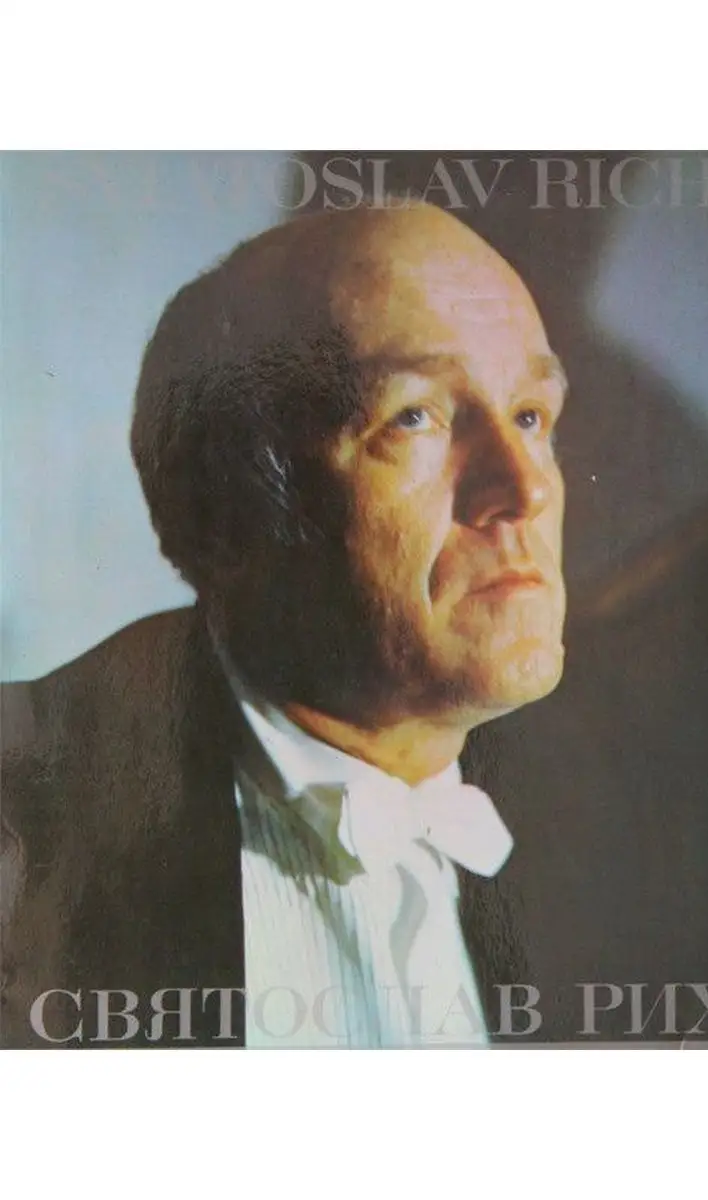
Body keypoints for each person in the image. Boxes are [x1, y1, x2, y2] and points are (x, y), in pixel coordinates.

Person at [0, 201, 568, 1048]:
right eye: (414, 416)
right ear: (227, 511)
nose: (525, 489)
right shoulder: (25, 816)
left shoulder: (634, 820)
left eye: (530, 415)